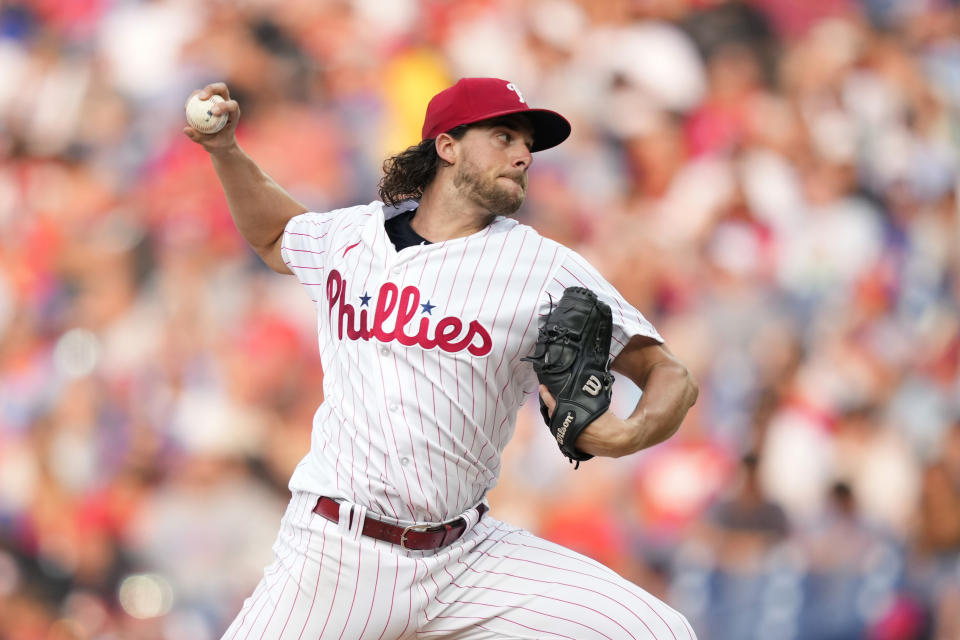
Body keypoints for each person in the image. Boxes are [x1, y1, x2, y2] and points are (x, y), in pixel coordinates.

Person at [184, 77, 699, 640]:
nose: (523, 155)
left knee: (656, 632)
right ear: (447, 146)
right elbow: (276, 233)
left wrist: (626, 435)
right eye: (503, 136)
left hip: (468, 557)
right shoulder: (350, 238)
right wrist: (226, 152)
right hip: (337, 554)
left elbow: (668, 373)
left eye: (527, 143)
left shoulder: (541, 266)